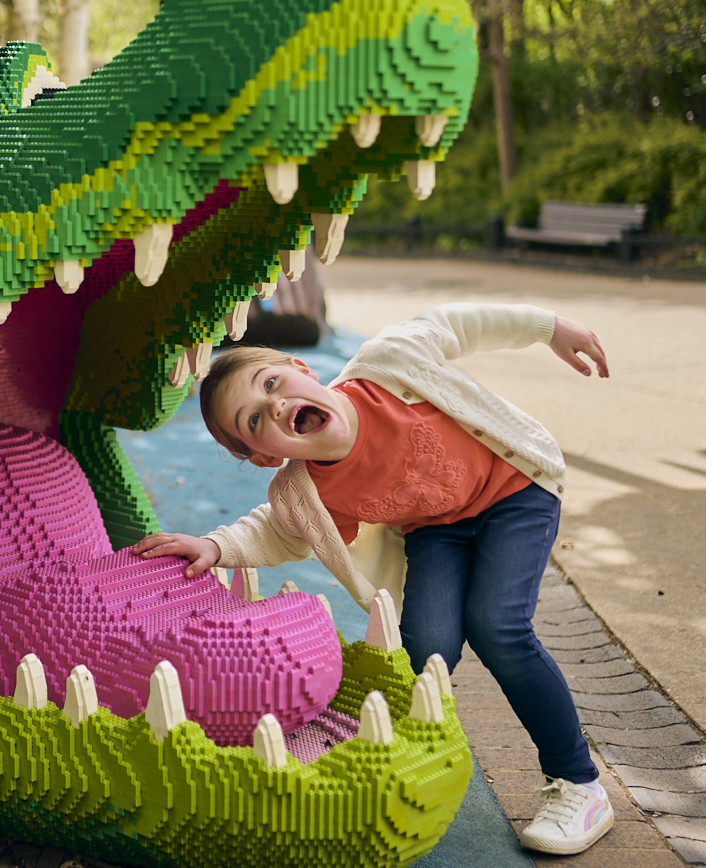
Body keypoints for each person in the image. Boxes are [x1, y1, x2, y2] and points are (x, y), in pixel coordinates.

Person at [130, 302, 614, 856]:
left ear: (300, 368)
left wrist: (550, 329)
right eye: (256, 420)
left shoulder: (389, 364)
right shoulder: (305, 489)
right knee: (426, 647)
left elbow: (459, 322)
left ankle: (579, 783)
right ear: (266, 457)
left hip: (515, 489)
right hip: (437, 526)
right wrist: (215, 546)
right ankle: (401, 760)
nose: (276, 404)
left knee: (496, 626)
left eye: (271, 383)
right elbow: (278, 531)